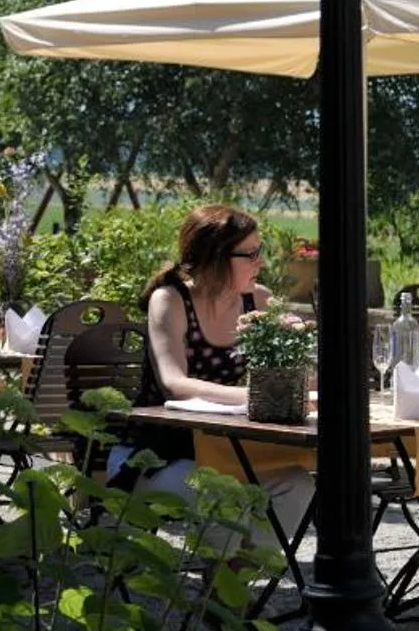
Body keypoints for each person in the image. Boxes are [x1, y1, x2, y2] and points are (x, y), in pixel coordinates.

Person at [122, 203, 310, 548]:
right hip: (157, 453)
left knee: (297, 484)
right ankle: (224, 578)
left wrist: (302, 356)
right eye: (251, 254)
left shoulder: (258, 301)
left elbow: (300, 376)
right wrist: (258, 396)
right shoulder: (170, 299)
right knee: (224, 496)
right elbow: (174, 383)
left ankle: (241, 574)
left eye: (260, 251)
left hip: (225, 451)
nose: (261, 262)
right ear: (216, 257)